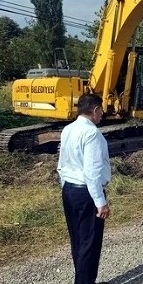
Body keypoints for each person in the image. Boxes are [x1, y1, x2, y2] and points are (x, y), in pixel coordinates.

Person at [57, 94, 111, 284]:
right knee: (90, 243)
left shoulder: (67, 129)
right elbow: (91, 172)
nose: (103, 114)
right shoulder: (92, 134)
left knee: (78, 241)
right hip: (87, 192)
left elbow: (61, 163)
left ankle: (83, 279)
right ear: (95, 110)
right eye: (102, 110)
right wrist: (100, 202)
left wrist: (64, 185)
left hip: (69, 190)